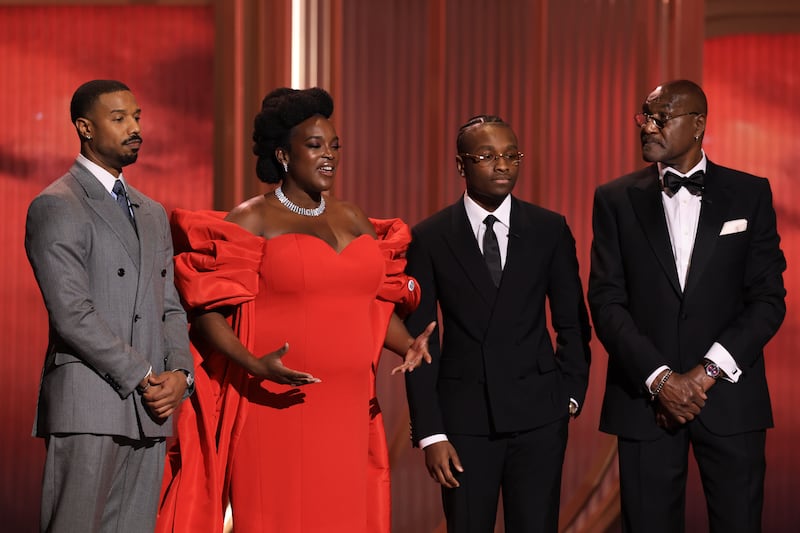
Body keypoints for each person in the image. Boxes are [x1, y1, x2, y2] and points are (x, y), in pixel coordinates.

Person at [156, 87, 434, 533]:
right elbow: (205, 312)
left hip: (348, 406)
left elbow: (370, 304)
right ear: (284, 155)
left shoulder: (354, 218)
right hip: (276, 405)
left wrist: (407, 345)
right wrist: (255, 365)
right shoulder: (252, 220)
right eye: (316, 145)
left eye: (335, 146)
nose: (330, 156)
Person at [588, 79, 786, 532]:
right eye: (645, 117)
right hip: (643, 403)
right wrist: (661, 381)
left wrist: (704, 374)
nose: (647, 127)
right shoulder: (614, 199)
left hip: (731, 402)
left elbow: (768, 301)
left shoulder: (750, 194)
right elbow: (606, 300)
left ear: (697, 124)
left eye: (661, 117)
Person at [403, 115, 591, 532]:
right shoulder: (430, 237)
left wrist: (570, 396)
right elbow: (419, 343)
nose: (502, 165)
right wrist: (431, 433)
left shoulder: (548, 229)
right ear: (461, 165)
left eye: (511, 155)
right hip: (464, 424)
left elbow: (573, 323)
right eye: (487, 156)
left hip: (540, 418)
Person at [24, 79, 194, 533]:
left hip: (151, 409)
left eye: (136, 117)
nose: (134, 127)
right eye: (119, 119)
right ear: (85, 128)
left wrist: (181, 375)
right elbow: (72, 313)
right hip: (90, 402)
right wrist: (144, 375)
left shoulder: (152, 212)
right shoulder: (57, 204)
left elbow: (171, 307)